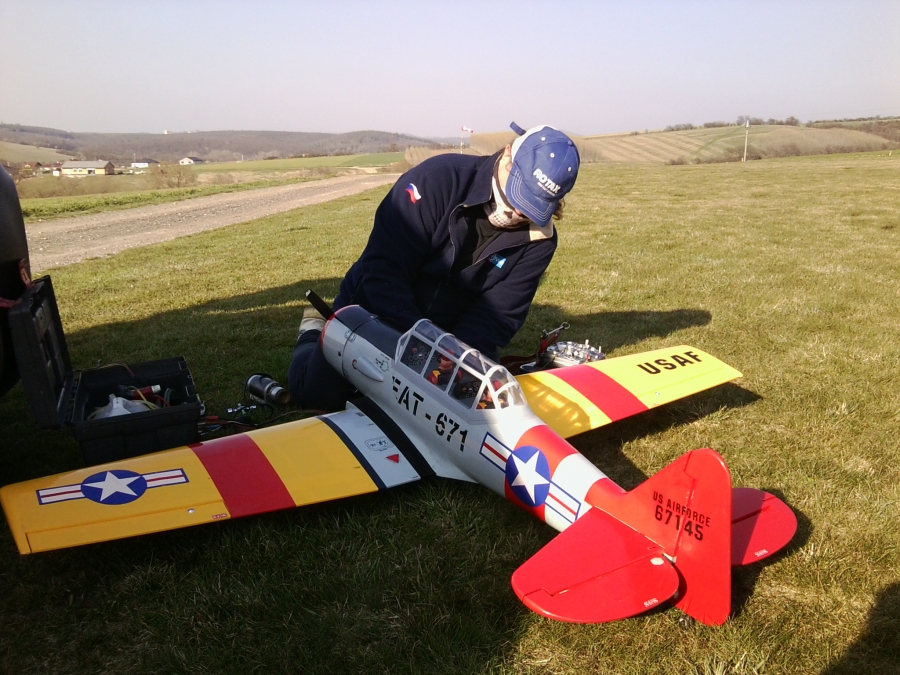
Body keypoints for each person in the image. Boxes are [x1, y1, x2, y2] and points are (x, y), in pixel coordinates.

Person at [288, 122, 580, 411]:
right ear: (507, 156)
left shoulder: (540, 240)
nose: (518, 211)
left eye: (535, 204)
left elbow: (497, 316)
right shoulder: (436, 180)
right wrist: (419, 348)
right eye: (521, 192)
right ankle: (313, 330)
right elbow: (384, 269)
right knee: (318, 397)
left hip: (451, 341)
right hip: (375, 309)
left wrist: (453, 359)